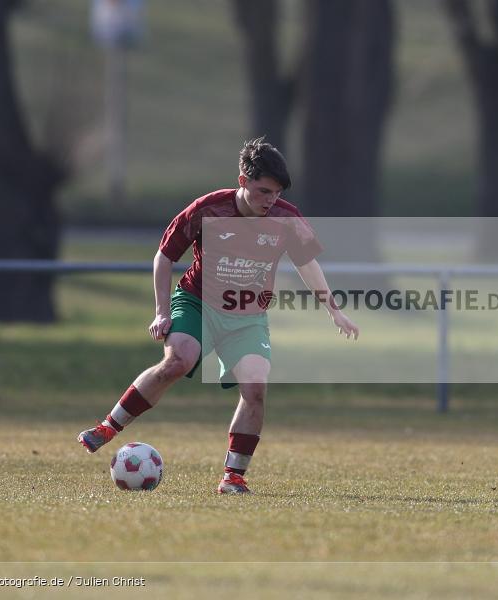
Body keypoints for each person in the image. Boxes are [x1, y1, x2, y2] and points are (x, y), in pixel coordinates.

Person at [78, 137, 359, 494]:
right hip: (197, 303)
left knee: (256, 387)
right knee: (179, 360)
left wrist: (334, 311)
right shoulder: (208, 210)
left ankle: (233, 477)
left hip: (247, 316)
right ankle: (108, 427)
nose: (269, 201)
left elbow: (307, 263)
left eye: (275, 193)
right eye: (262, 191)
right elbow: (164, 257)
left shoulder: (286, 219)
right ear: (243, 180)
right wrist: (161, 312)